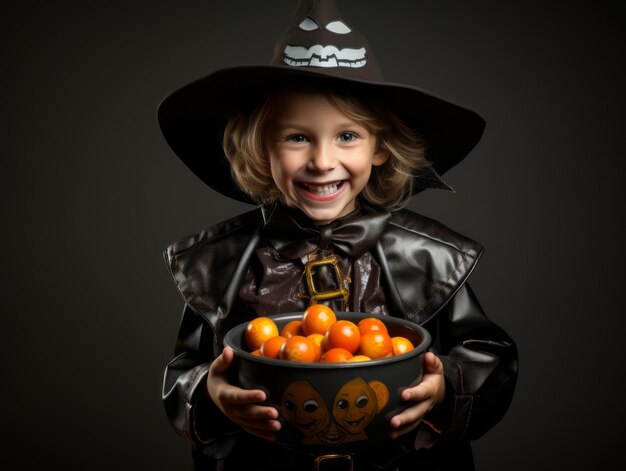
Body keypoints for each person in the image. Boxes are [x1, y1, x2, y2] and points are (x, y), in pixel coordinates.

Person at [158, 1, 518, 470]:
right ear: (262, 148)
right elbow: (184, 374)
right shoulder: (221, 264)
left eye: (347, 136)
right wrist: (210, 394)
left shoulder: (429, 258)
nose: (323, 161)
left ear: (381, 147)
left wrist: (445, 385)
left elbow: (488, 361)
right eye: (297, 137)